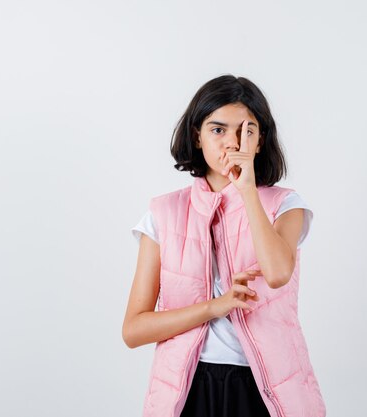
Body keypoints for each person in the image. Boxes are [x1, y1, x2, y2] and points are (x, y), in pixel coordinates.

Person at [122, 74, 327, 417]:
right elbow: (134, 330)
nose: (232, 143)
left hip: (264, 390)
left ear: (260, 141)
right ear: (197, 136)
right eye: (218, 130)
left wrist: (247, 190)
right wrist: (215, 306)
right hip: (188, 390)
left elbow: (277, 274)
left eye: (246, 131)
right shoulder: (163, 213)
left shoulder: (285, 205)